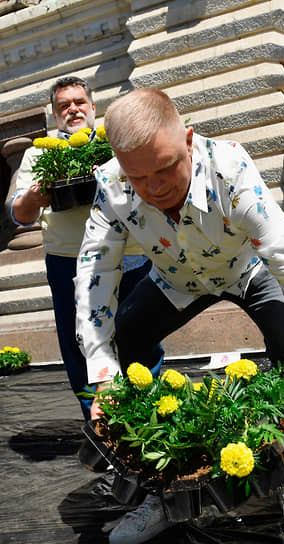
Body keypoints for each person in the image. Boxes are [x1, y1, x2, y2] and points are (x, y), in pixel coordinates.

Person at [74, 88, 284, 544]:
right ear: (121, 167)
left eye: (166, 167)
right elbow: (93, 278)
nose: (156, 189)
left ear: (189, 141)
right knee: (129, 335)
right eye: (139, 177)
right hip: (174, 281)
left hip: (245, 270)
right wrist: (104, 377)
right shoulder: (110, 184)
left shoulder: (230, 168)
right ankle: (161, 486)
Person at [11, 77, 163, 421]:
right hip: (69, 262)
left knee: (140, 334)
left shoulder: (116, 141)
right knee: (79, 345)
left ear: (93, 107)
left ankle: (152, 418)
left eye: (79, 102)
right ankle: (102, 428)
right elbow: (20, 215)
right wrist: (34, 198)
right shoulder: (38, 153)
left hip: (131, 254)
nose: (73, 109)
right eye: (64, 105)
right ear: (54, 114)